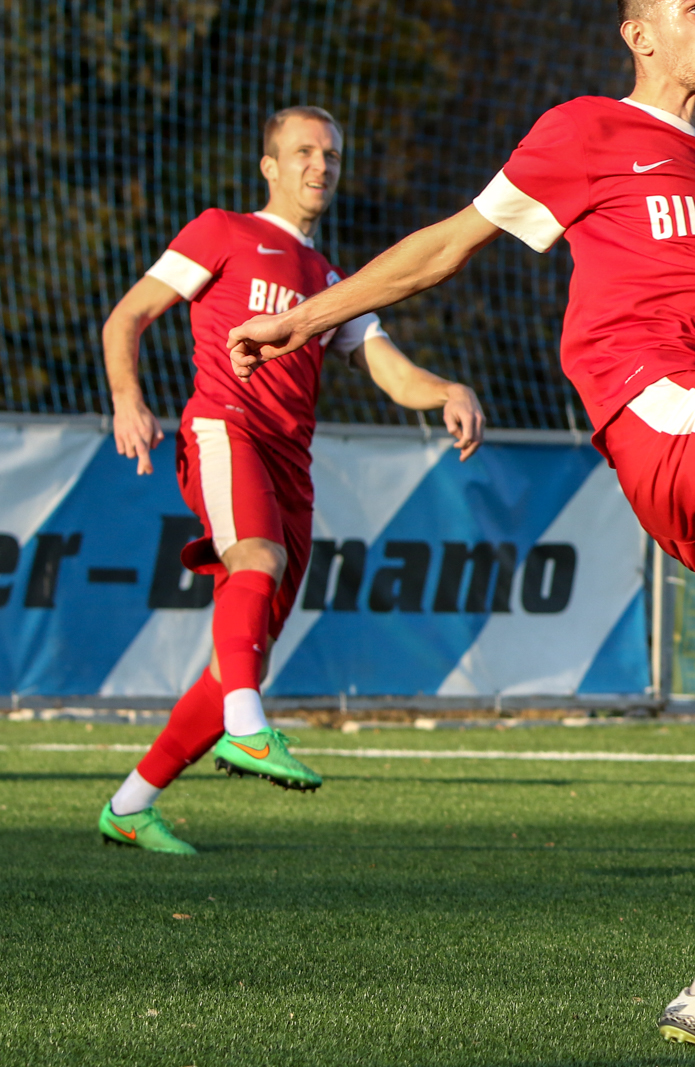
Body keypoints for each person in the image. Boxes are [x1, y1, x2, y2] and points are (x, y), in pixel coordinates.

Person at [225, 0, 695, 1058]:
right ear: (638, 34)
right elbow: (445, 248)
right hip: (657, 407)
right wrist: (304, 319)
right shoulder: (584, 131)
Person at [96, 106, 487, 856]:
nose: (320, 165)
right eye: (304, 151)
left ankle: (130, 804)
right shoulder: (222, 231)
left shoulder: (330, 280)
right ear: (269, 166)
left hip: (290, 463)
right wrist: (127, 399)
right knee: (257, 559)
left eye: (331, 154)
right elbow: (128, 317)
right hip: (224, 428)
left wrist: (446, 389)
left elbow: (389, 369)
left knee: (238, 661)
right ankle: (248, 728)